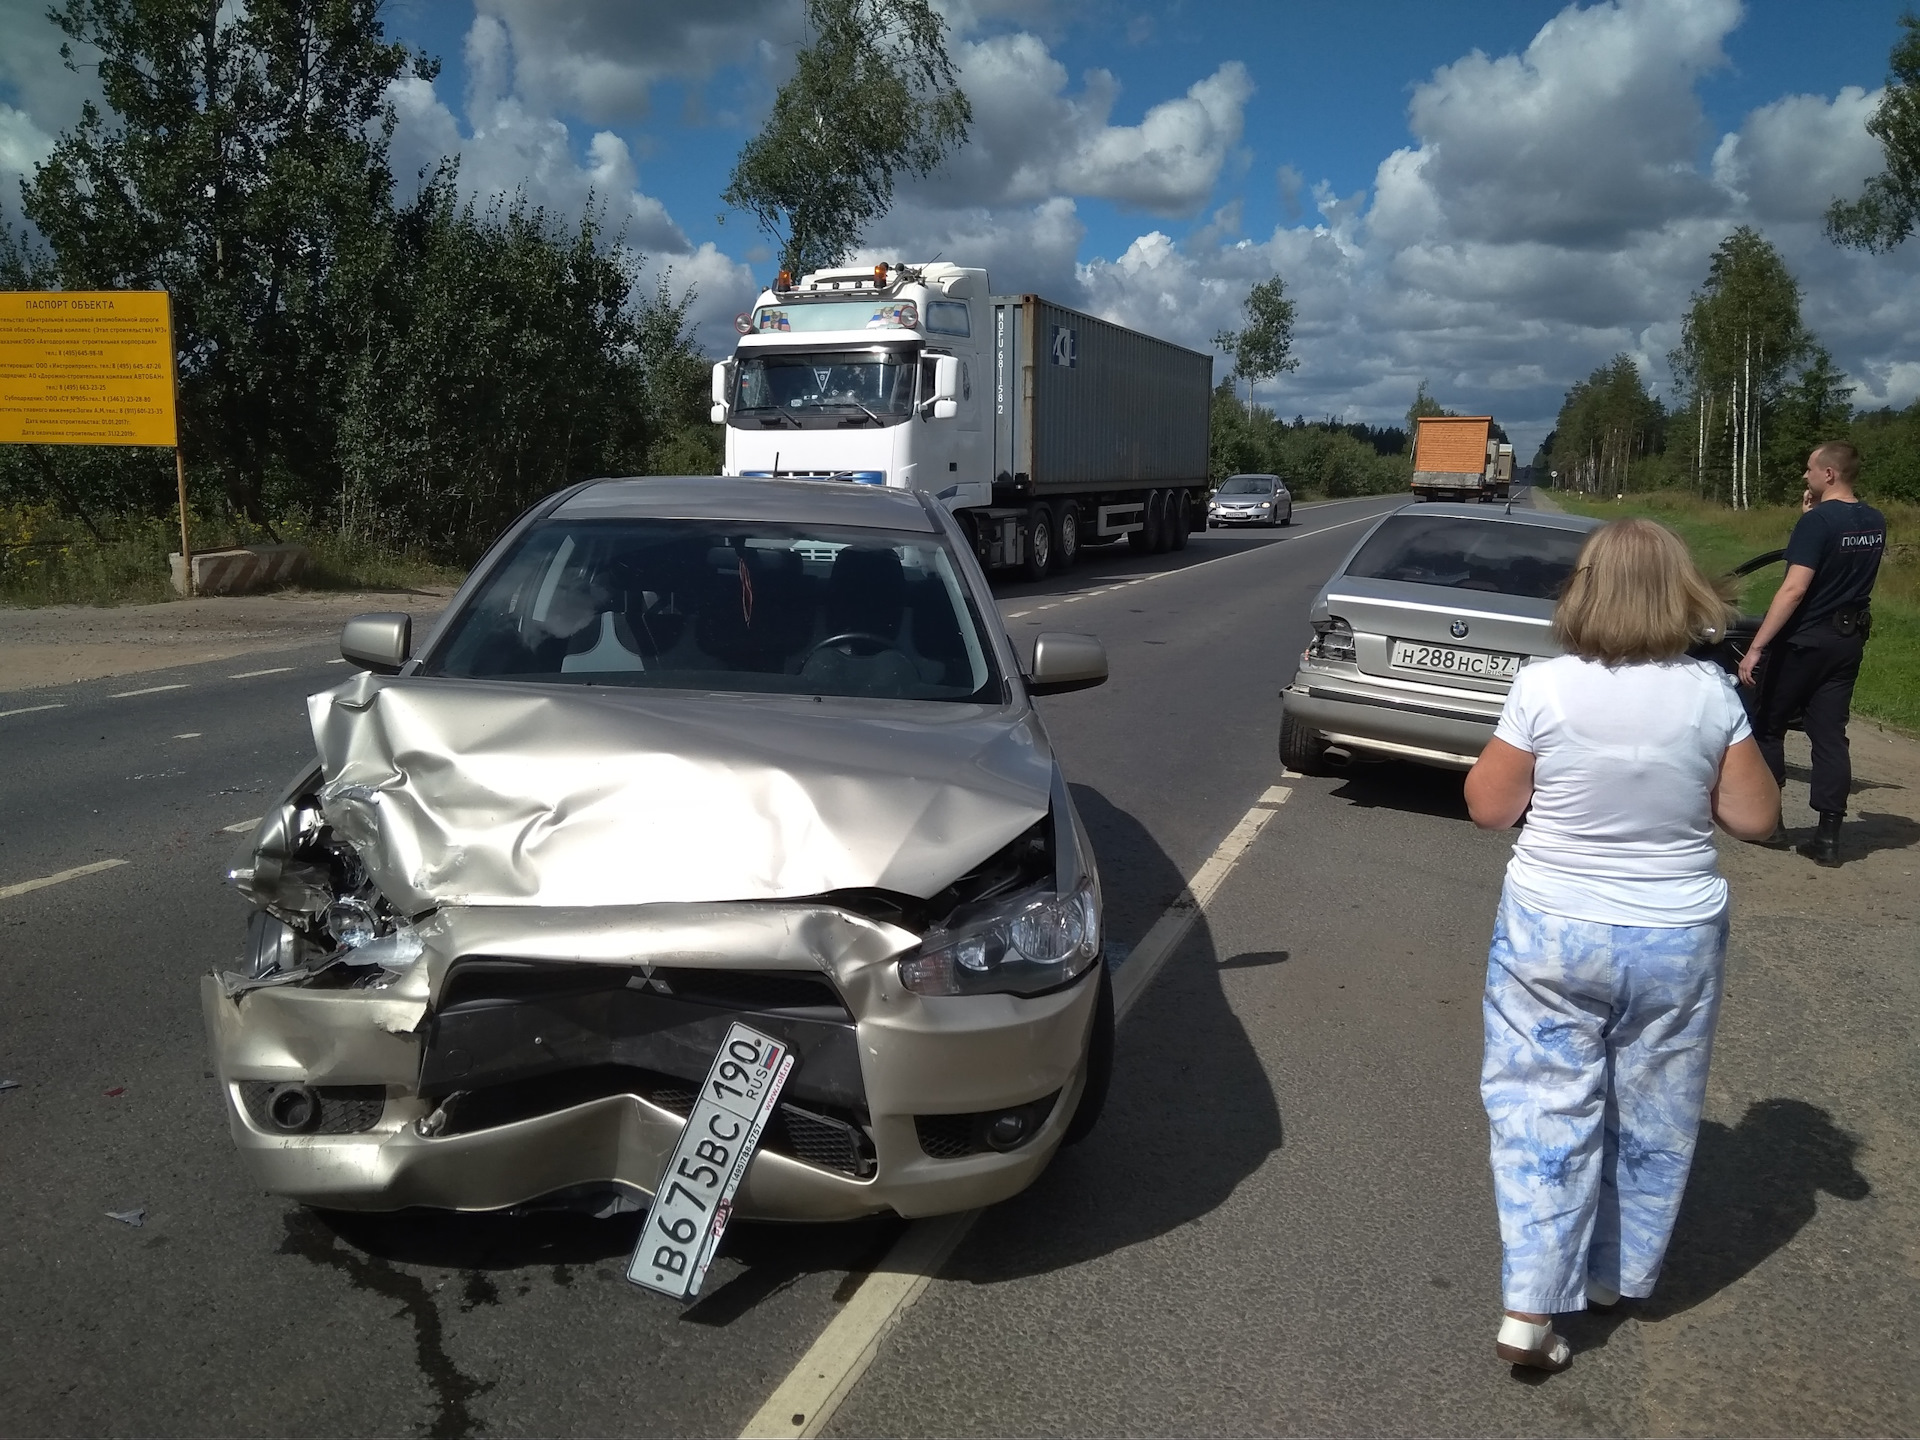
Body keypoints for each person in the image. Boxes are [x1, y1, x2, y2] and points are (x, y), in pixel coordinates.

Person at [1464, 518, 1779, 1373]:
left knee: (1542, 1107)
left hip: (1552, 929)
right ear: (1683, 593)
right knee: (1654, 1109)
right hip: (1675, 933)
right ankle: (1612, 1275)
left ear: (1586, 588)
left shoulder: (1546, 687)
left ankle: (1531, 1305)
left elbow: (1491, 808)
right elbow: (1755, 818)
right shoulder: (1712, 694)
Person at [1737, 441, 1886, 866]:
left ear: (1829, 474)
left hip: (1804, 641)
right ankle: (1828, 836)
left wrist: (1757, 647)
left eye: (1810, 470)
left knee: (1768, 725)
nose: (1806, 476)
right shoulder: (1874, 521)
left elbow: (1795, 588)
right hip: (1847, 642)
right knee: (1829, 734)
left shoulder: (1819, 523)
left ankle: (1771, 823)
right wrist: (1809, 518)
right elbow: (1841, 558)